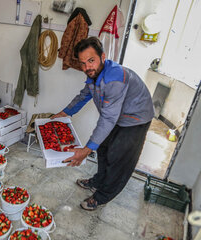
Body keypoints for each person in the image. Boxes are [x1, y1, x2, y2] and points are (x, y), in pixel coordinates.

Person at [52, 37, 154, 210]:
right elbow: (83, 96)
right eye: (83, 63)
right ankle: (98, 181)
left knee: (119, 158)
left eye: (91, 61)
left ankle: (102, 196)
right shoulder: (94, 75)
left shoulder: (114, 79)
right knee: (103, 147)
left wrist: (86, 150)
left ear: (103, 57)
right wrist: (62, 114)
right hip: (117, 115)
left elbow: (108, 118)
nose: (87, 68)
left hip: (136, 118)